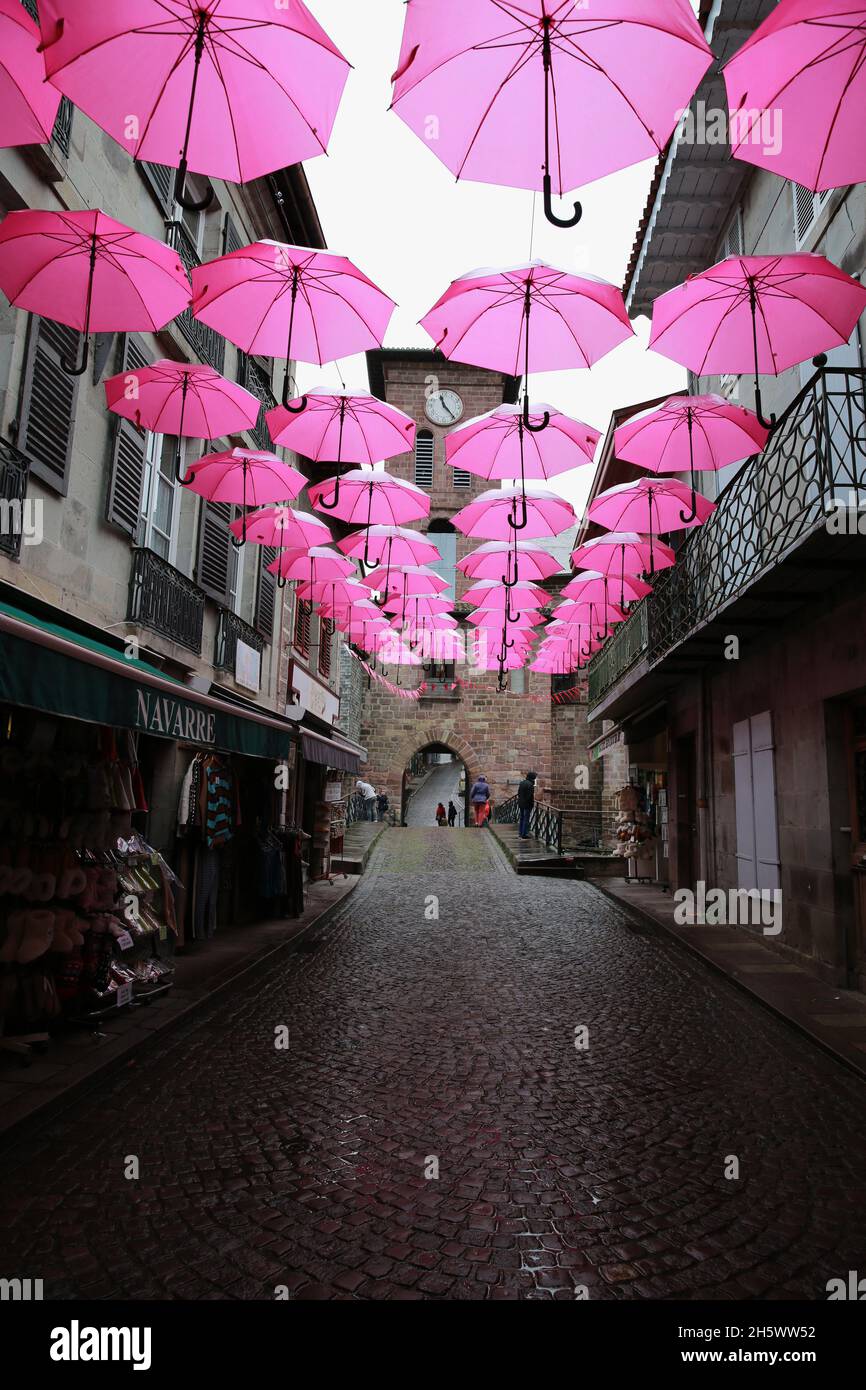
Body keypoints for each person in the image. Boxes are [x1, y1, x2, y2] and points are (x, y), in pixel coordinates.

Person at [517, 770, 537, 839]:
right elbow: (529, 796)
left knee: (522, 818)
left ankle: (520, 833)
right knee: (526, 819)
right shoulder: (530, 784)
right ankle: (524, 834)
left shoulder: (522, 783)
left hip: (521, 803)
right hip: (527, 804)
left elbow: (519, 793)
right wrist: (530, 803)